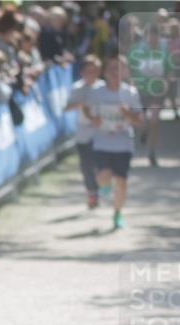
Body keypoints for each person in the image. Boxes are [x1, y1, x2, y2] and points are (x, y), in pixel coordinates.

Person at [87, 55, 142, 230]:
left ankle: (117, 213)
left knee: (121, 182)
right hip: (102, 143)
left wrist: (127, 114)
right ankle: (105, 186)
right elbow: (89, 114)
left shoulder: (130, 93)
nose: (114, 72)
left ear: (125, 72)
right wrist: (94, 120)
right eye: (111, 68)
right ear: (105, 72)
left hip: (123, 144)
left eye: (118, 68)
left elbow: (139, 120)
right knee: (102, 176)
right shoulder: (97, 93)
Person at [128, 22, 168, 166]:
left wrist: (166, 84)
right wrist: (131, 83)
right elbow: (128, 67)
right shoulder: (137, 50)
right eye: (150, 35)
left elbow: (170, 71)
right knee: (142, 121)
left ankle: (152, 152)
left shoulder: (164, 51)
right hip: (140, 90)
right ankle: (143, 131)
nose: (153, 38)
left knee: (154, 120)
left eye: (155, 35)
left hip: (157, 91)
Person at [66, 54, 103, 209]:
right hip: (83, 133)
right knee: (87, 166)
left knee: (101, 165)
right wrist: (80, 104)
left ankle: (101, 186)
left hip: (100, 133)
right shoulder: (77, 88)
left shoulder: (103, 87)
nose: (91, 74)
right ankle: (92, 193)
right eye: (88, 71)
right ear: (82, 72)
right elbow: (67, 107)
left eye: (94, 71)